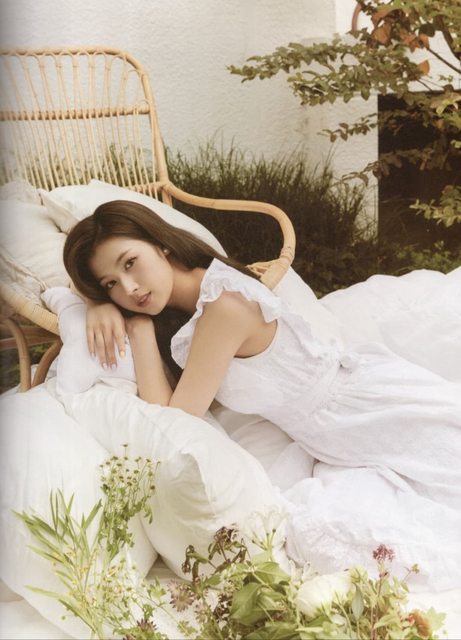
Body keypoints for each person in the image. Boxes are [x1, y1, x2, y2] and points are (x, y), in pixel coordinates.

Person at [64, 199, 461, 586]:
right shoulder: (198, 299)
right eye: (111, 284)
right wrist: (95, 302)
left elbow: (172, 421)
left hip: (367, 410)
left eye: (130, 263)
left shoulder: (223, 305)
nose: (130, 288)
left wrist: (138, 331)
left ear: (161, 244)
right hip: (337, 426)